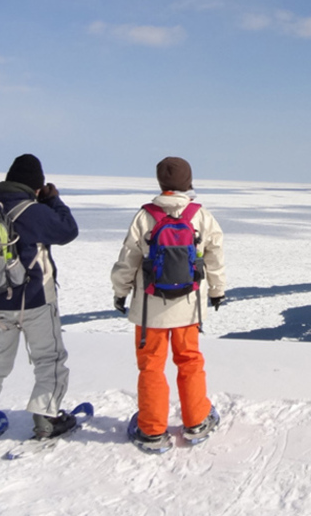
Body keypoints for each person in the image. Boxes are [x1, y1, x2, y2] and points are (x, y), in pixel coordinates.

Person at [111, 156, 226, 450]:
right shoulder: (200, 216)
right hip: (188, 307)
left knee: (151, 366)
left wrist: (120, 291)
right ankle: (196, 422)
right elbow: (214, 256)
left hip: (150, 308)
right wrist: (217, 291)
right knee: (189, 361)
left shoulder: (145, 217)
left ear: (161, 183)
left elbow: (128, 260)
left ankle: (152, 431)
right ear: (188, 182)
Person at [0, 154, 79, 446]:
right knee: (49, 359)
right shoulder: (33, 211)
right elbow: (68, 230)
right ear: (36, 186)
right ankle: (46, 418)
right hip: (35, 300)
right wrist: (53, 200)